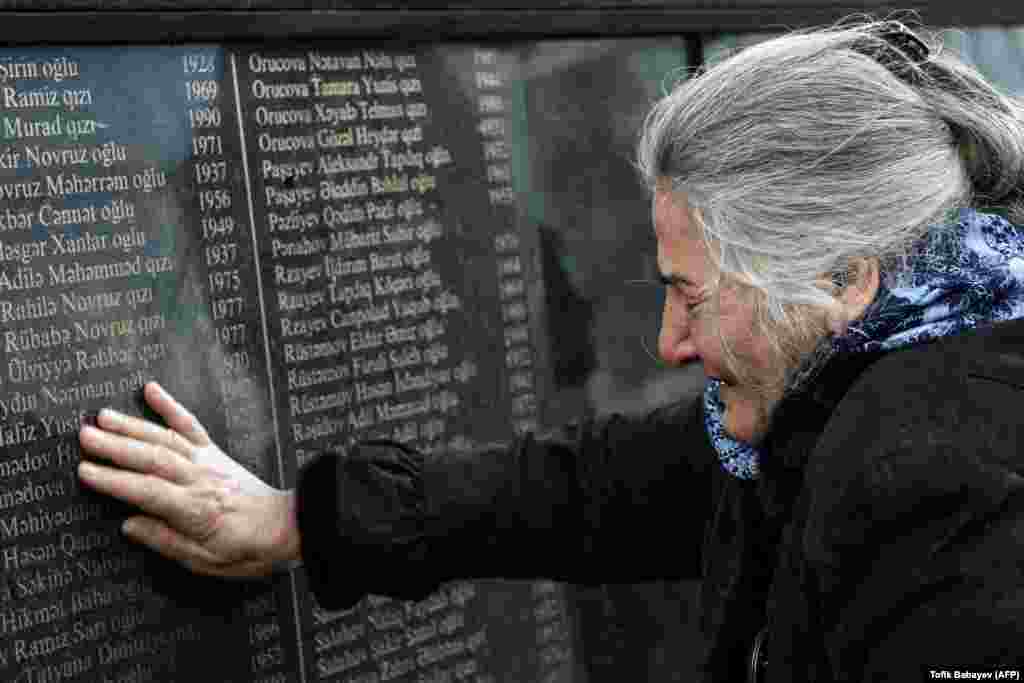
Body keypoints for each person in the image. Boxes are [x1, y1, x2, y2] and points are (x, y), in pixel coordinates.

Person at [78, 19, 1024, 682]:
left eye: (690, 293)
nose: (667, 338)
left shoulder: (949, 495)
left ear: (845, 279)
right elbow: (600, 489)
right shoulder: (854, 386)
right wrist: (303, 521)